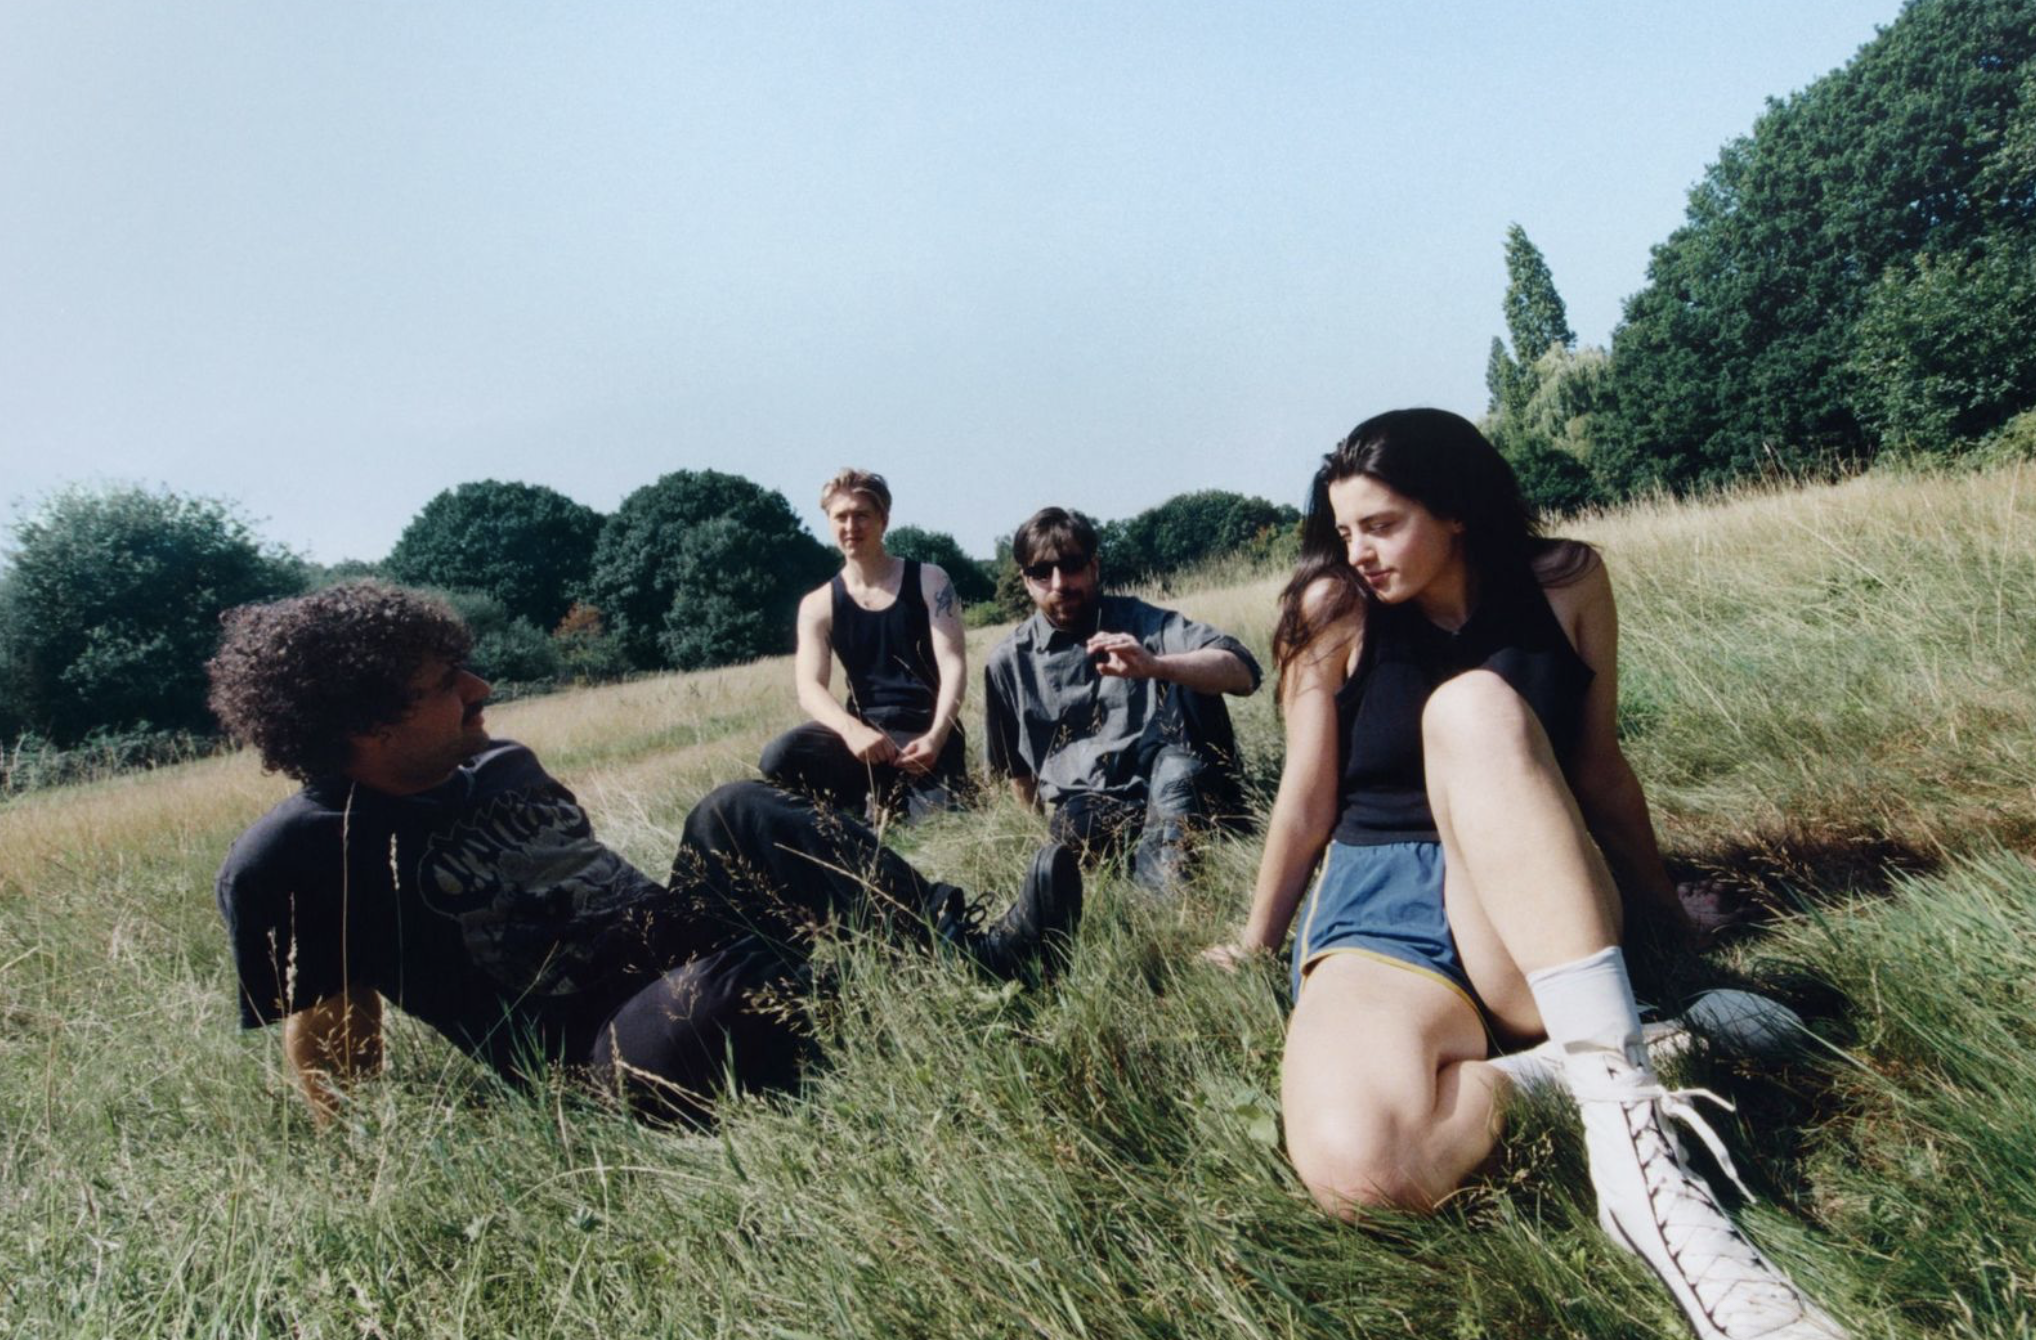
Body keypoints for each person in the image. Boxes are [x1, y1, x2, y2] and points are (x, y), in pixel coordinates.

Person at [1204, 410, 1845, 1340]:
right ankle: (1634, 1050)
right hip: (1383, 900)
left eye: (1381, 525)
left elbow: (1599, 770)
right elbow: (1306, 801)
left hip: (1532, 888)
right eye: (1345, 531)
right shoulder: (1332, 609)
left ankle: (1641, 1170)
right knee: (1367, 1171)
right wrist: (1257, 939)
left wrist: (1667, 921)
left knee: (1472, 709)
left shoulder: (1565, 583)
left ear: (1456, 510)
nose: (1359, 552)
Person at [208, 581, 1080, 1127]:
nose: (481, 688)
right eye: (447, 684)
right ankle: (867, 1012)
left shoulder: (501, 760)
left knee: (736, 808)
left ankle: (974, 959)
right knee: (723, 995)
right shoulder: (296, 854)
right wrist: (363, 1152)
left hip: (689, 938)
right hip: (595, 1045)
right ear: (366, 725)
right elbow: (331, 1036)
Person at [983, 506, 1261, 892]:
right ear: (1026, 581)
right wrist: (1034, 840)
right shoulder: (1008, 661)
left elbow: (1243, 672)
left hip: (1170, 773)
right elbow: (1018, 774)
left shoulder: (1142, 622)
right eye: (1042, 572)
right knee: (1074, 828)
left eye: (1072, 566)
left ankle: (1171, 847)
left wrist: (1157, 666)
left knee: (1191, 681)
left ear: (1094, 567)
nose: (1059, 583)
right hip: (1094, 807)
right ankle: (1165, 852)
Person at [758, 468, 969, 825]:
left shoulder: (930, 580)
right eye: (840, 517)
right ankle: (856, 806)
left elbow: (953, 664)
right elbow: (809, 688)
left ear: (883, 520)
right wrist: (851, 730)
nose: (851, 526)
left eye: (862, 515)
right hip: (862, 734)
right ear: (829, 522)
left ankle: (903, 799)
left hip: (925, 730)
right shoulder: (817, 605)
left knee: (937, 825)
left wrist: (936, 736)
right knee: (778, 757)